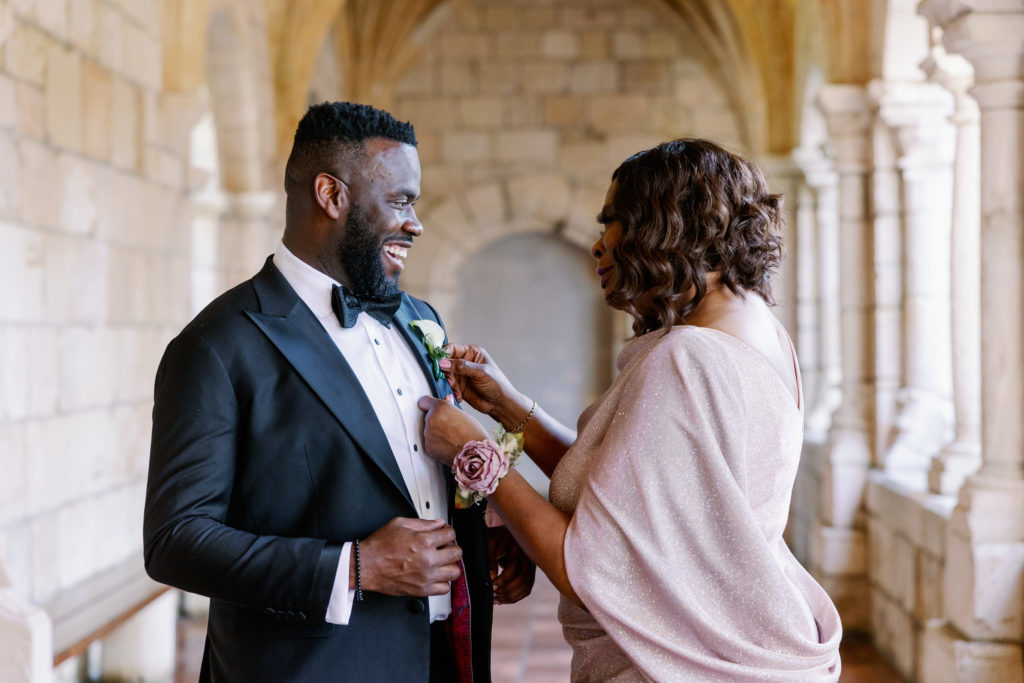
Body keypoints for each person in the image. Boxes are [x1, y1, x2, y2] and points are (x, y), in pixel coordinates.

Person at [418, 138, 843, 681]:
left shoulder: (686, 359)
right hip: (739, 634)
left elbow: (591, 565)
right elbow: (630, 494)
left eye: (614, 220)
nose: (600, 246)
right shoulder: (760, 330)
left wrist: (472, 452)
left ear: (665, 223)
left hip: (671, 662)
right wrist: (509, 407)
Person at [143, 101, 533, 683]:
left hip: (441, 657)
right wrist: (353, 567)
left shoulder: (417, 317)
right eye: (400, 201)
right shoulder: (217, 346)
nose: (415, 223)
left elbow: (417, 467)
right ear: (331, 195)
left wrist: (490, 531)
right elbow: (176, 540)